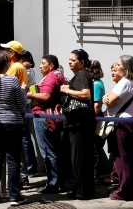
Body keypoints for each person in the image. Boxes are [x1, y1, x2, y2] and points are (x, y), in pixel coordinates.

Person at [0, 50, 28, 206]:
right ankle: (14, 195)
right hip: (12, 123)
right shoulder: (12, 80)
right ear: (8, 64)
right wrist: (23, 91)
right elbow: (22, 104)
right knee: (13, 159)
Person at [102, 55, 133, 201]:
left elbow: (109, 100)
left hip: (121, 122)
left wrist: (107, 98)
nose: (116, 67)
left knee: (122, 159)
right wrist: (107, 97)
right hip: (124, 121)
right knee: (122, 158)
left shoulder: (125, 82)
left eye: (118, 64)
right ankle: (124, 187)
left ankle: (124, 191)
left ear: (126, 66)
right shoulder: (131, 82)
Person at [61, 49, 96, 200]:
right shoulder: (81, 74)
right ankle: (80, 190)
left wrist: (67, 91)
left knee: (80, 158)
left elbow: (86, 94)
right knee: (80, 158)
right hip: (79, 123)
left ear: (81, 62)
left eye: (73, 60)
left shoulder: (82, 74)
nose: (70, 62)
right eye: (69, 59)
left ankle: (82, 192)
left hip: (80, 123)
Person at [27, 55, 66, 194]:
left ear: (51, 66)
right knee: (53, 150)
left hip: (44, 117)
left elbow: (45, 96)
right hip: (53, 117)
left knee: (48, 151)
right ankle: (56, 181)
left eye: (43, 63)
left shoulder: (51, 77)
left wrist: (29, 94)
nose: (39, 66)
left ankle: (53, 184)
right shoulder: (58, 76)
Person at [20, 50, 38, 187]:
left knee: (24, 139)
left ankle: (27, 170)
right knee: (26, 138)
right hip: (26, 106)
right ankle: (30, 167)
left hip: (23, 107)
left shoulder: (26, 71)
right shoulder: (29, 71)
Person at [89, 60, 108, 184]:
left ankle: (95, 175)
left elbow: (96, 106)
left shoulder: (96, 84)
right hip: (98, 116)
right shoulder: (99, 82)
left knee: (95, 148)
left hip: (96, 118)